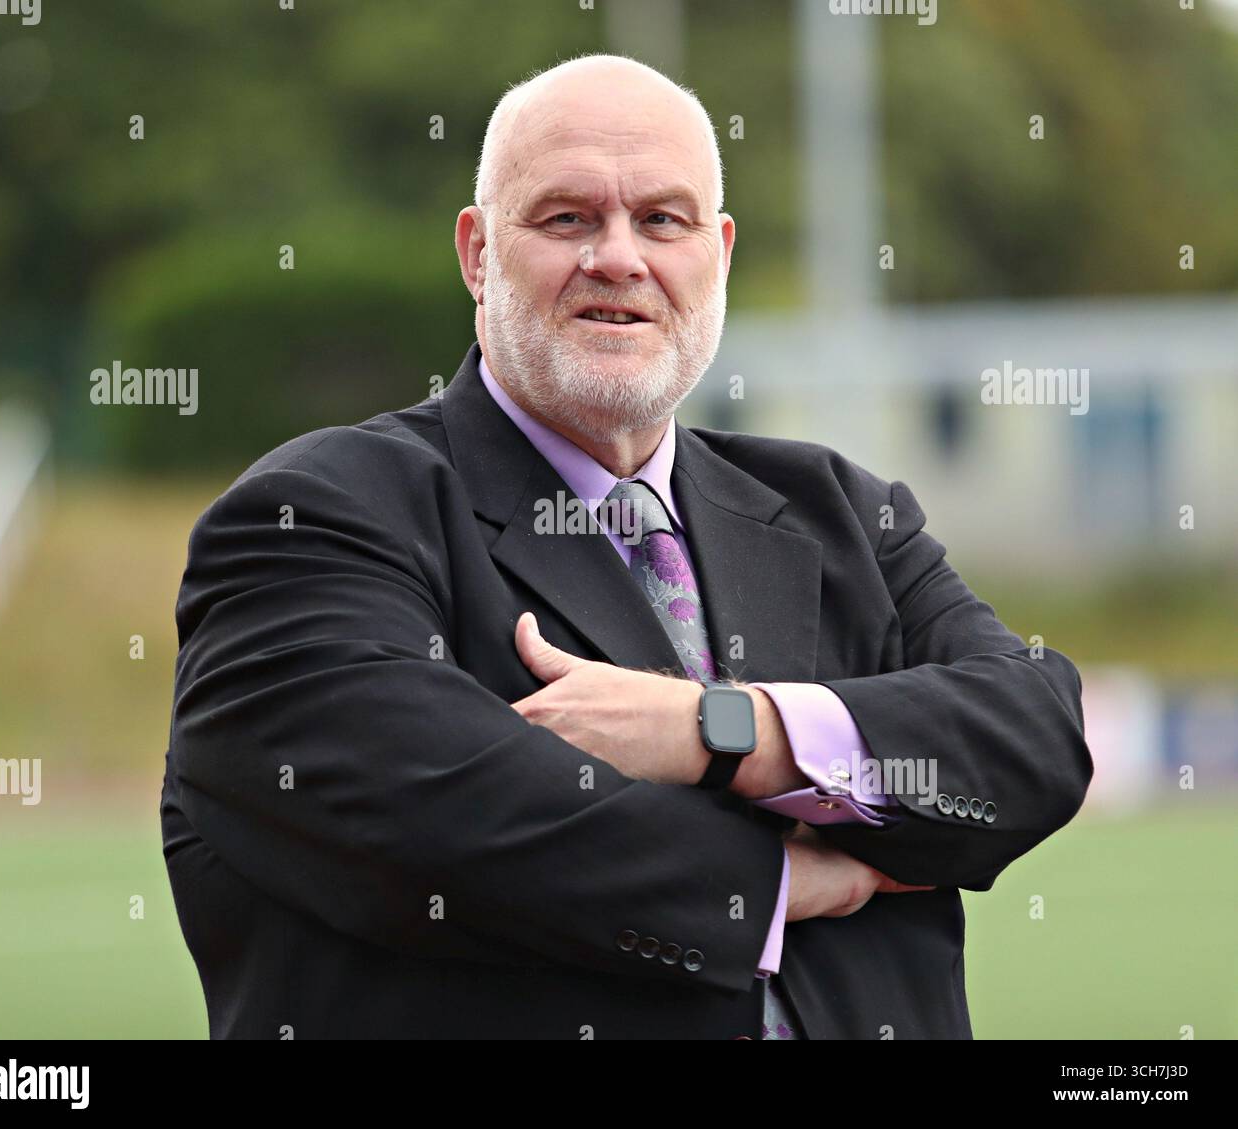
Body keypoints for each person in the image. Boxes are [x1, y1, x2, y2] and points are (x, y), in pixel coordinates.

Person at [160, 53, 1092, 1039]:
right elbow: (434, 815)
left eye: (662, 219)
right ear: (477, 253)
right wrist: (779, 874)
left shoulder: (840, 508)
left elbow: (1030, 736)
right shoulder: (312, 519)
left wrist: (724, 731)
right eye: (567, 218)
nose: (618, 257)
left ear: (718, 254)